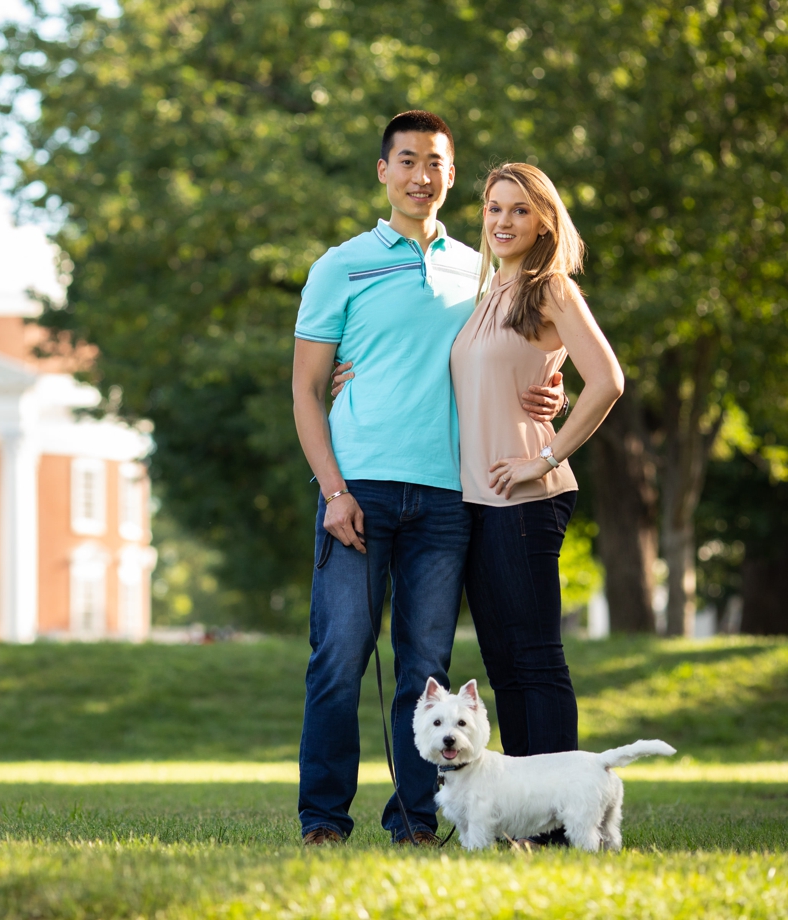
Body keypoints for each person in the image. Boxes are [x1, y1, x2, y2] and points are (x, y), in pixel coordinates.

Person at [288, 111, 563, 847]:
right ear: (384, 171)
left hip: (448, 498)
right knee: (339, 661)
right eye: (407, 161)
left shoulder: (480, 270)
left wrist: (550, 391)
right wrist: (334, 492)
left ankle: (414, 821)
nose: (422, 176)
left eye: (436, 163)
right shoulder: (339, 265)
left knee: (426, 673)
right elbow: (305, 392)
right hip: (360, 492)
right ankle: (323, 819)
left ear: (450, 175)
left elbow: (510, 359)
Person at [453, 163, 621, 792]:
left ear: (544, 220)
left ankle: (558, 813)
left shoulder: (550, 287)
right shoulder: (489, 290)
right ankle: (525, 817)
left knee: (536, 661)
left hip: (526, 500)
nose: (503, 221)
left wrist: (544, 459)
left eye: (519, 210)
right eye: (494, 208)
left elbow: (607, 380)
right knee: (503, 666)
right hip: (475, 501)